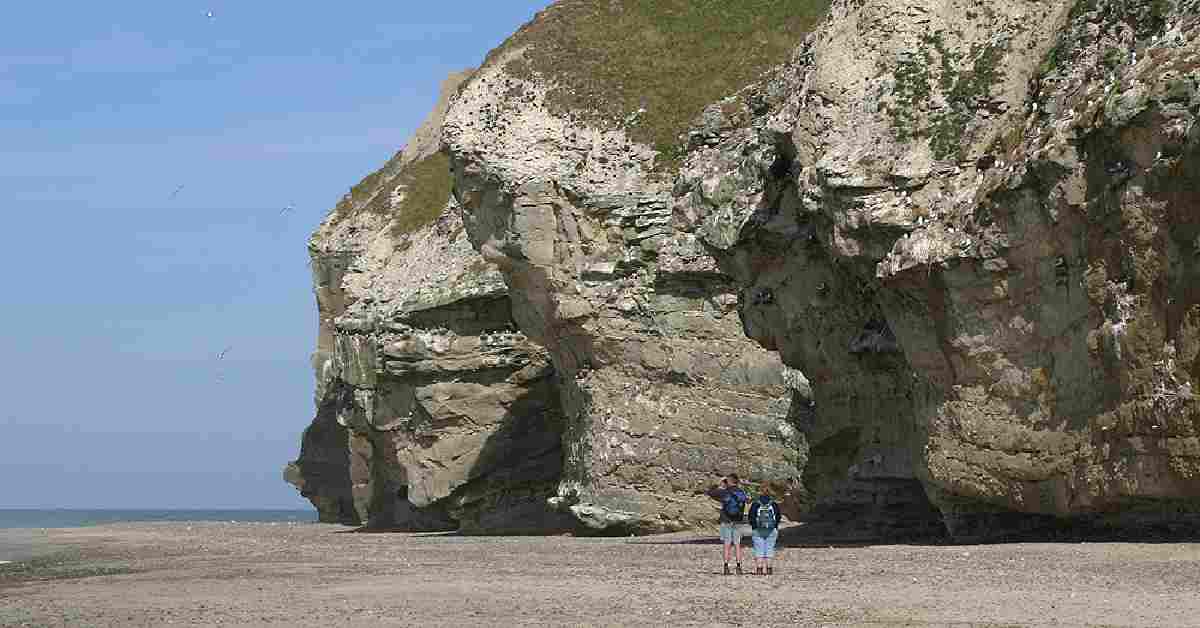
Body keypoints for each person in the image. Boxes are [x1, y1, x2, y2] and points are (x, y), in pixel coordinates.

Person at [706, 474, 749, 575]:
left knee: (727, 545)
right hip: (738, 521)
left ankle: (726, 567)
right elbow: (746, 501)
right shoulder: (741, 493)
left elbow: (710, 492)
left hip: (726, 521)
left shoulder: (724, 492)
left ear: (728, 481)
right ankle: (738, 567)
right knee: (737, 545)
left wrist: (719, 484)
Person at [748, 485, 782, 575]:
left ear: (760, 492)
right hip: (771, 530)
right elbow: (778, 517)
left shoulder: (756, 503)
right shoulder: (774, 504)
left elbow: (751, 517)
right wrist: (775, 526)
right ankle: (769, 569)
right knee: (770, 549)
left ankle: (759, 569)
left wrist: (754, 526)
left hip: (758, 530)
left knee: (759, 549)